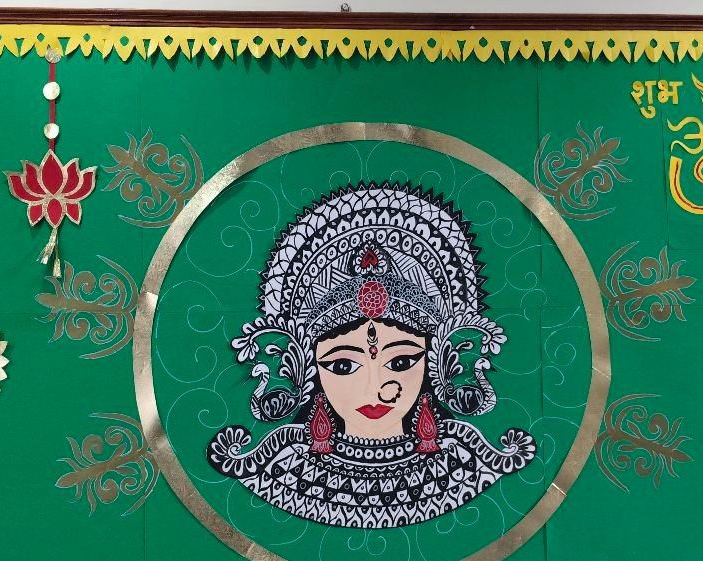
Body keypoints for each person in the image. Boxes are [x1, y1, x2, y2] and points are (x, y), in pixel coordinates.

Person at [207, 182, 537, 529]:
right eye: (343, 365)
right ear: (303, 365)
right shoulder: (277, 467)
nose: (375, 388)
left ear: (439, 360)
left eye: (401, 362)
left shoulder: (470, 460)